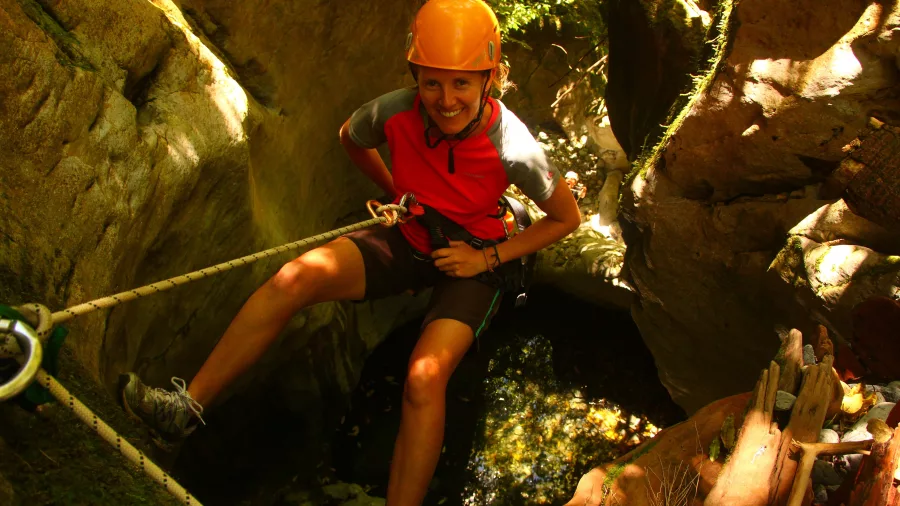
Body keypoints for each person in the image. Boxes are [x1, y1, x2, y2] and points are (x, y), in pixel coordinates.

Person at [118, 1, 580, 504]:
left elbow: (566, 218)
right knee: (295, 279)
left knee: (424, 380)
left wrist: (485, 261)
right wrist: (397, 194)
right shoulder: (396, 110)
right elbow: (351, 137)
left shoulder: (514, 146)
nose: (446, 100)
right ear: (415, 75)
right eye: (432, 82)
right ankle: (183, 411)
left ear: (490, 77)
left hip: (475, 260)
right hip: (413, 234)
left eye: (462, 83)